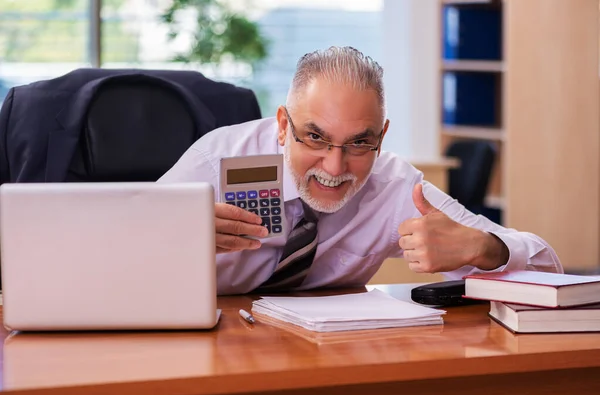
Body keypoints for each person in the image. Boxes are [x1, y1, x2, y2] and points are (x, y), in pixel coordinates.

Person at [158, 46, 563, 295]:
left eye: (359, 143)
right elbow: (105, 256)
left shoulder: (397, 188)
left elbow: (550, 269)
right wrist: (167, 242)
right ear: (283, 126)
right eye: (315, 138)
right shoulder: (216, 161)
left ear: (382, 137)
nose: (335, 167)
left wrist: (484, 248)